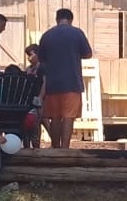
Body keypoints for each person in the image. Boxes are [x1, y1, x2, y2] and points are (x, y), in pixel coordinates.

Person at [37, 8, 92, 149]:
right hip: (72, 82)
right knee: (68, 117)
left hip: (52, 83)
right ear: (71, 20)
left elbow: (41, 58)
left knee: (55, 117)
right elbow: (87, 54)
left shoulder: (47, 36)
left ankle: (55, 147)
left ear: (57, 19)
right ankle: (65, 148)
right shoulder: (77, 33)